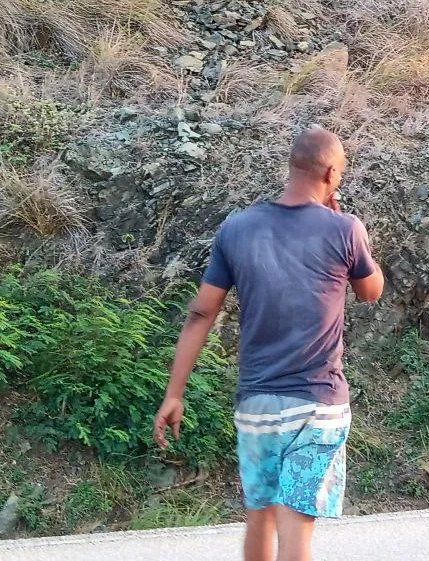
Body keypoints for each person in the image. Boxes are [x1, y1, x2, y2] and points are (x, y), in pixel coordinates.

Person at [154, 127, 384, 561]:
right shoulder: (345, 229)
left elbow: (201, 313)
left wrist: (174, 393)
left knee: (260, 516)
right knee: (296, 528)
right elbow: (371, 291)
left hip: (257, 402)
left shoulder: (237, 228)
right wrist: (353, 231)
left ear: (293, 166)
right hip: (318, 403)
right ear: (331, 172)